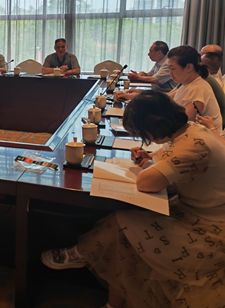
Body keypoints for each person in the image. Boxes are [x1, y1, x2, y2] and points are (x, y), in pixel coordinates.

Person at [41, 91, 225, 308]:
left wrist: (151, 165)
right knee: (126, 232)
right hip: (192, 212)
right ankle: (109, 296)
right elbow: (168, 155)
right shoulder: (191, 130)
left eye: (142, 133)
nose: (145, 139)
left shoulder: (194, 145)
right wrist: (150, 158)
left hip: (209, 229)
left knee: (123, 224)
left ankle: (82, 254)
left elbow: (146, 182)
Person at [166, 45, 222, 133]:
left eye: (173, 69)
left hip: (205, 139)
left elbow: (182, 123)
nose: (170, 73)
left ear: (189, 67)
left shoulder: (198, 88)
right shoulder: (187, 84)